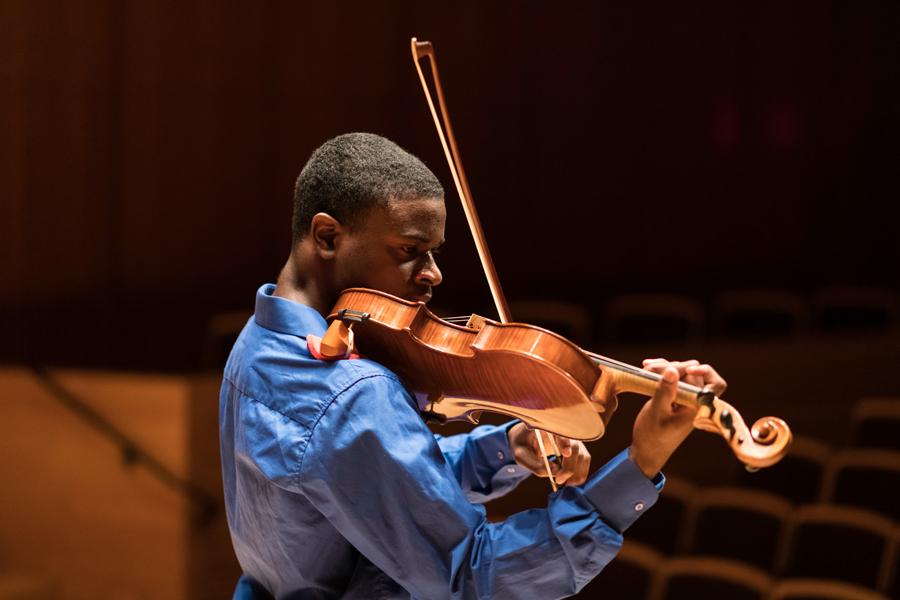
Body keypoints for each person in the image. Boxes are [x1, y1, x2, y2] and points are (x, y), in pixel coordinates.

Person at [219, 132, 727, 599]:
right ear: (328, 237)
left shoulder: (258, 341)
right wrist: (641, 465)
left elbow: (369, 484)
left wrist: (505, 447)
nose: (433, 274)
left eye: (434, 253)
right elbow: (472, 576)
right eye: (410, 251)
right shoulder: (351, 393)